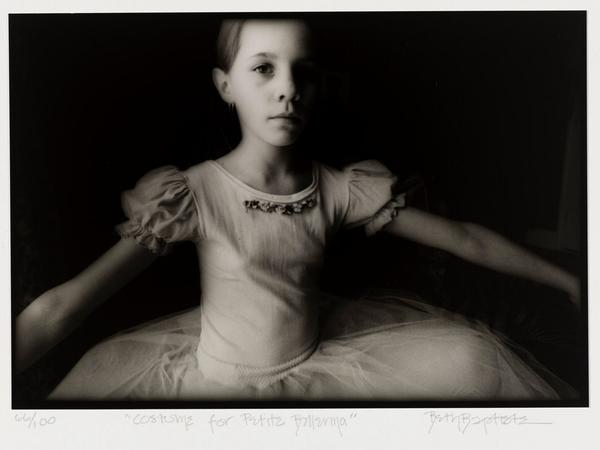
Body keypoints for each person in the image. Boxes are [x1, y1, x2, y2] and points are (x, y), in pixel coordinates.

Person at [15, 18, 581, 400]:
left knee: (473, 359)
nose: (287, 89)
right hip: (218, 382)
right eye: (263, 68)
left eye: (302, 71)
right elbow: (64, 306)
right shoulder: (191, 194)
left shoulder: (338, 188)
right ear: (225, 85)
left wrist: (570, 281)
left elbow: (464, 238)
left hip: (316, 367)